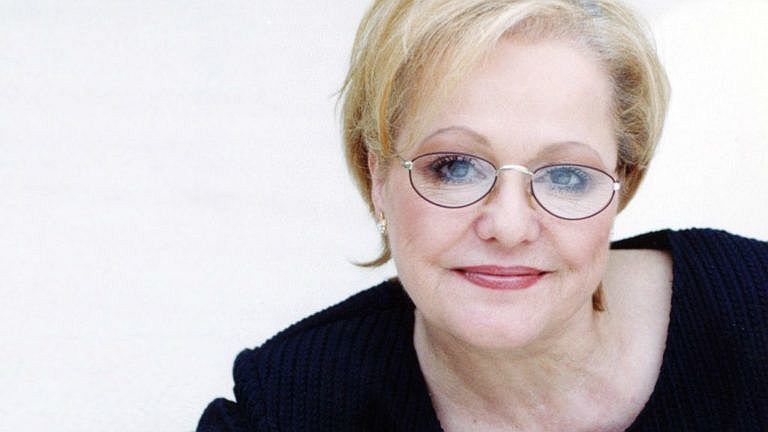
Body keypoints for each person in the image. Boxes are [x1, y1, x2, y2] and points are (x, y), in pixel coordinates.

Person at [197, 0, 768, 430]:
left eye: (566, 176)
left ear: (623, 184)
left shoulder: (756, 312)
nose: (510, 227)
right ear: (378, 177)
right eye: (455, 167)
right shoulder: (285, 409)